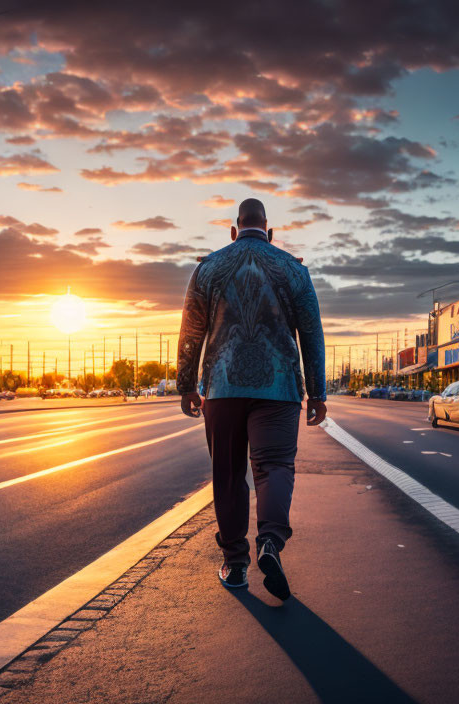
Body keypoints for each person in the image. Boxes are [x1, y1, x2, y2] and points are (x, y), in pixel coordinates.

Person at [176, 198, 326, 600]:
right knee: (274, 466)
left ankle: (236, 563)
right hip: (278, 389)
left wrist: (186, 384)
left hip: (223, 388)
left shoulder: (209, 268)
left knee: (228, 473)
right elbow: (312, 333)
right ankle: (270, 542)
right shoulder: (293, 270)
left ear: (233, 229)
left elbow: (191, 330)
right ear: (269, 231)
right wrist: (317, 392)